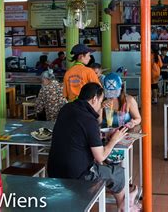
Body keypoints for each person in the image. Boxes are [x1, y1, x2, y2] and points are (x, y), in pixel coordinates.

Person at [47, 83, 139, 212]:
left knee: (108, 169)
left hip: (53, 169)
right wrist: (114, 139)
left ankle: (125, 201)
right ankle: (124, 205)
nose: (101, 104)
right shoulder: (89, 120)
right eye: (101, 101)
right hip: (78, 176)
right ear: (94, 99)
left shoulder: (67, 108)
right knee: (118, 173)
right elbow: (100, 156)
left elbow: (79, 132)